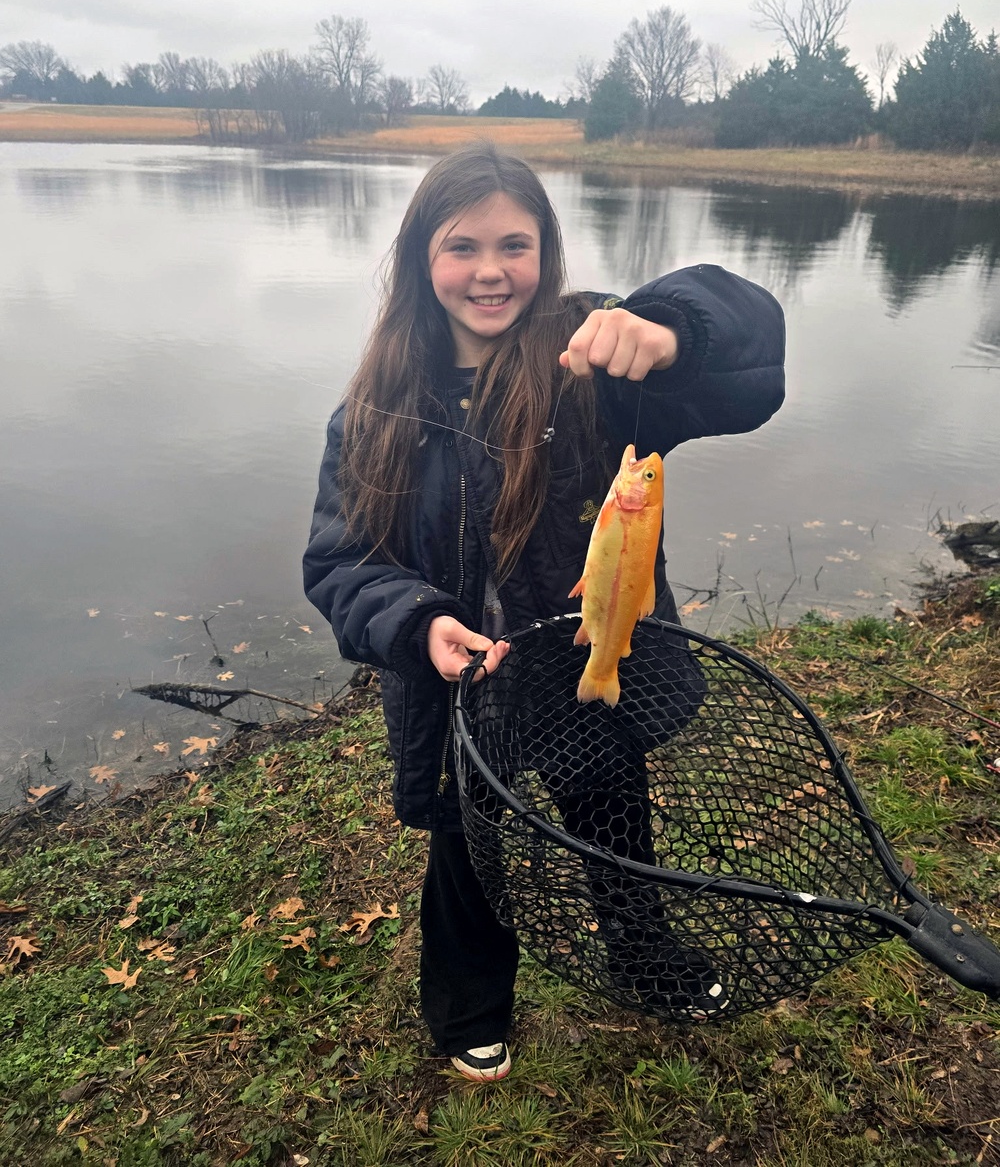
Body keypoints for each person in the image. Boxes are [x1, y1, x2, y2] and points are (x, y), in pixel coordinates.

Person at [303, 144, 785, 1082]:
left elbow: (754, 360)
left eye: (515, 244)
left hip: (588, 668)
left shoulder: (592, 356)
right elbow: (342, 561)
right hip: (459, 688)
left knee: (616, 824)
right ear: (419, 260)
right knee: (468, 855)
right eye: (463, 246)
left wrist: (672, 329)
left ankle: (647, 959)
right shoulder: (372, 409)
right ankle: (468, 1012)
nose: (490, 270)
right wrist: (415, 622)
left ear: (547, 250)